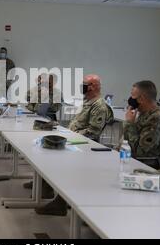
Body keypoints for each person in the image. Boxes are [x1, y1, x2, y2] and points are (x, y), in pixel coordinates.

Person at [34, 74, 113, 216]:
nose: (81, 86)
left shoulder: (99, 106)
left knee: (59, 162)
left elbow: (93, 132)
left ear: (93, 86)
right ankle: (47, 188)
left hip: (85, 147)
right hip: (76, 141)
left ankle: (60, 202)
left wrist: (71, 136)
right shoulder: (88, 101)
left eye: (84, 84)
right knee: (46, 151)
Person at [123, 80, 160, 170]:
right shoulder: (144, 113)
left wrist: (129, 124)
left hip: (144, 168)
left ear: (142, 98)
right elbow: (127, 141)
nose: (130, 100)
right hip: (131, 161)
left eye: (133, 97)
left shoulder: (157, 119)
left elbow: (140, 152)